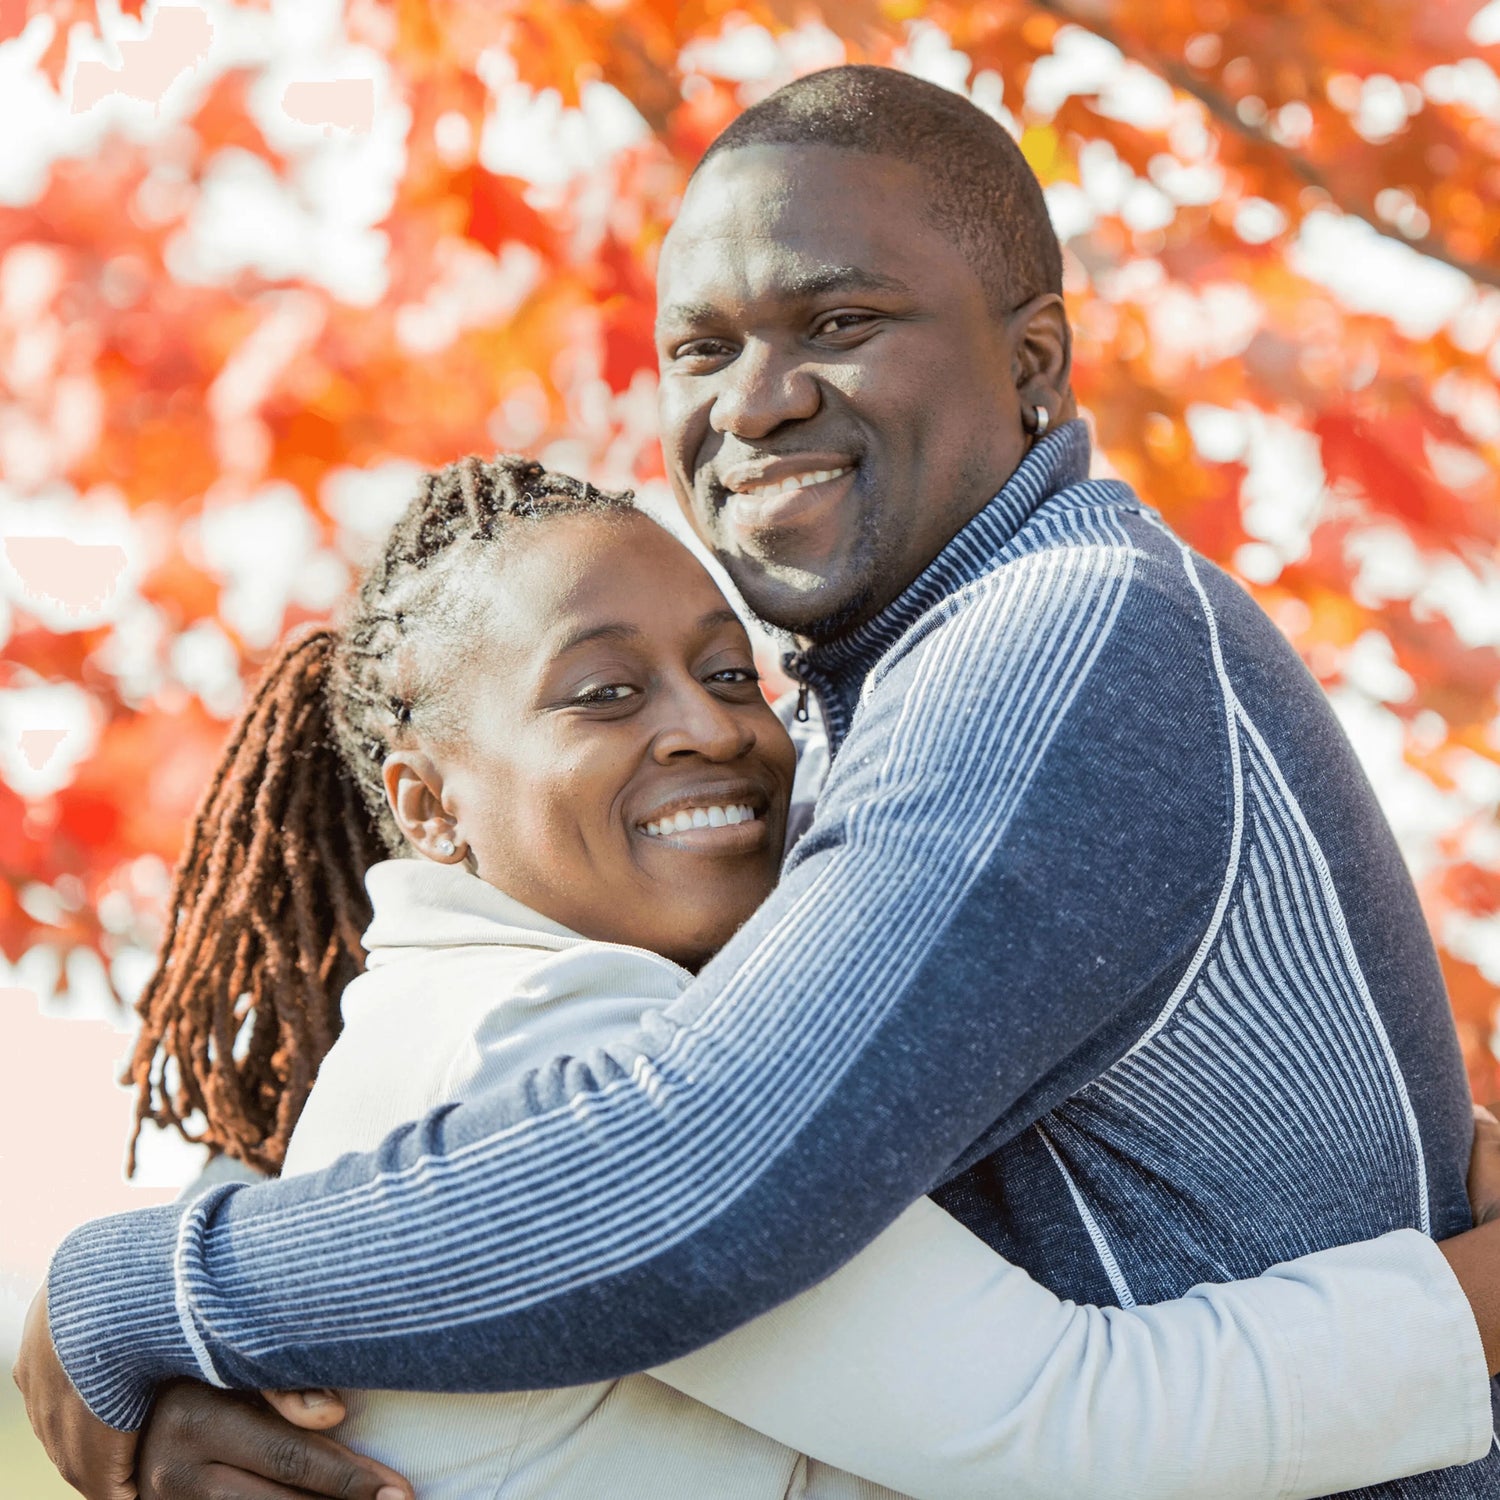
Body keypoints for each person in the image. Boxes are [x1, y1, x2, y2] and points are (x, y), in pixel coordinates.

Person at [18, 65, 1500, 1500]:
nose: (759, 401)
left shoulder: (1051, 638)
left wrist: (152, 1290)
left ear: (1035, 361)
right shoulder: (867, 716)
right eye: (701, 348)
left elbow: (691, 1181)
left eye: (841, 320)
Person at [105, 449, 1497, 1500]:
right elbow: (1076, 1420)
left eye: (728, 674)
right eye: (603, 692)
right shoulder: (552, 1035)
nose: (706, 731)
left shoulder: (462, 1014)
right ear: (427, 802)